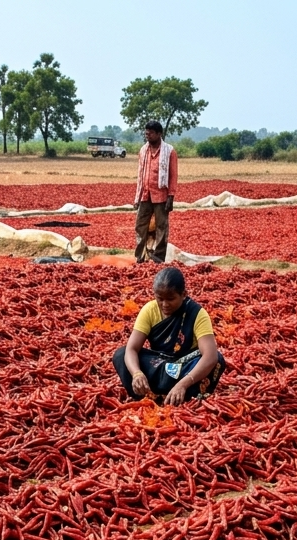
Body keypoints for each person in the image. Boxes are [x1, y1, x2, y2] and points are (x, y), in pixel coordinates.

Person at [113, 267, 226, 406]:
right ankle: (150, 395)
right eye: (160, 299)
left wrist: (183, 384)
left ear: (183, 294)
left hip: (184, 367)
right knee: (121, 354)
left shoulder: (197, 314)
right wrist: (137, 373)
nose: (165, 304)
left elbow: (210, 356)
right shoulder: (149, 310)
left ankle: (180, 393)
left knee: (217, 360)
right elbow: (132, 348)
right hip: (159, 364)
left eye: (171, 299)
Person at [134, 120, 178, 263]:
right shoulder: (143, 150)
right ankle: (140, 256)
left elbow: (173, 175)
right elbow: (140, 174)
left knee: (161, 227)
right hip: (145, 193)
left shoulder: (169, 151)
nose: (148, 136)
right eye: (146, 133)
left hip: (161, 195)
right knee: (140, 225)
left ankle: (158, 258)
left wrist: (171, 196)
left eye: (151, 133)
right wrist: (137, 197)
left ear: (159, 134)